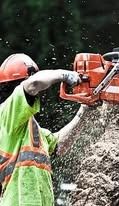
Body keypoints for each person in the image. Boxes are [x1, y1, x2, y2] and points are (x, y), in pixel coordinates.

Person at [0, 53, 85, 206]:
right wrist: (64, 74)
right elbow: (33, 84)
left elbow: (60, 144)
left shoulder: (30, 129)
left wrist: (85, 109)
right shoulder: (6, 115)